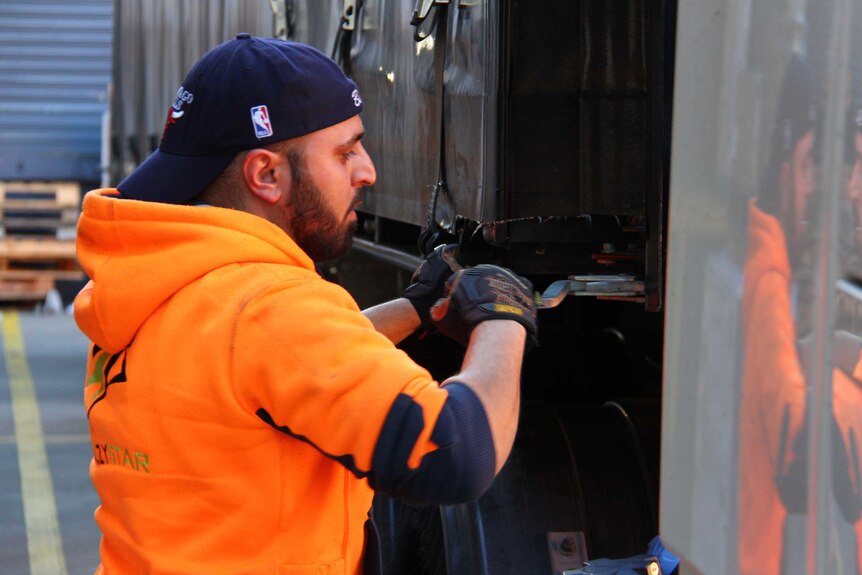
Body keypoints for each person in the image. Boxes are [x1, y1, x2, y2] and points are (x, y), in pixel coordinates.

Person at [74, 34, 537, 574]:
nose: (367, 172)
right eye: (345, 152)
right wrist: (504, 317)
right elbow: (457, 454)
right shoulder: (268, 305)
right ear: (266, 174)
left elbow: (258, 374)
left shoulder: (156, 284)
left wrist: (414, 307)